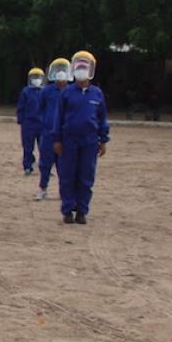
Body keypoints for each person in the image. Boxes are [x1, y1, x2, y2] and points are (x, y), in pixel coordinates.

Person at [53, 52, 110, 224]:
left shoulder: (97, 94)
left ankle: (82, 211)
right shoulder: (66, 93)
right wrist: (57, 139)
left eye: (84, 68)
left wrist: (103, 140)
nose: (81, 72)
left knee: (86, 176)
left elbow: (102, 118)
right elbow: (59, 117)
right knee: (67, 175)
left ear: (91, 70)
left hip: (90, 141)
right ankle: (68, 210)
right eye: (78, 68)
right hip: (69, 139)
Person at [35, 58, 71, 201]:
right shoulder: (46, 91)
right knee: (45, 163)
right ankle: (43, 189)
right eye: (58, 70)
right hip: (48, 133)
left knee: (64, 165)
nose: (60, 74)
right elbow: (41, 109)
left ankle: (64, 191)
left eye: (63, 70)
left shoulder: (72, 91)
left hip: (66, 134)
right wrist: (46, 124)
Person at [17, 67, 45, 177]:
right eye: (34, 77)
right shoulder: (26, 91)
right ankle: (28, 166)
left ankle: (44, 167)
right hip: (28, 124)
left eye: (38, 77)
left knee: (43, 147)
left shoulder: (45, 92)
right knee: (28, 147)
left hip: (42, 124)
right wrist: (21, 120)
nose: (36, 79)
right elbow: (21, 107)